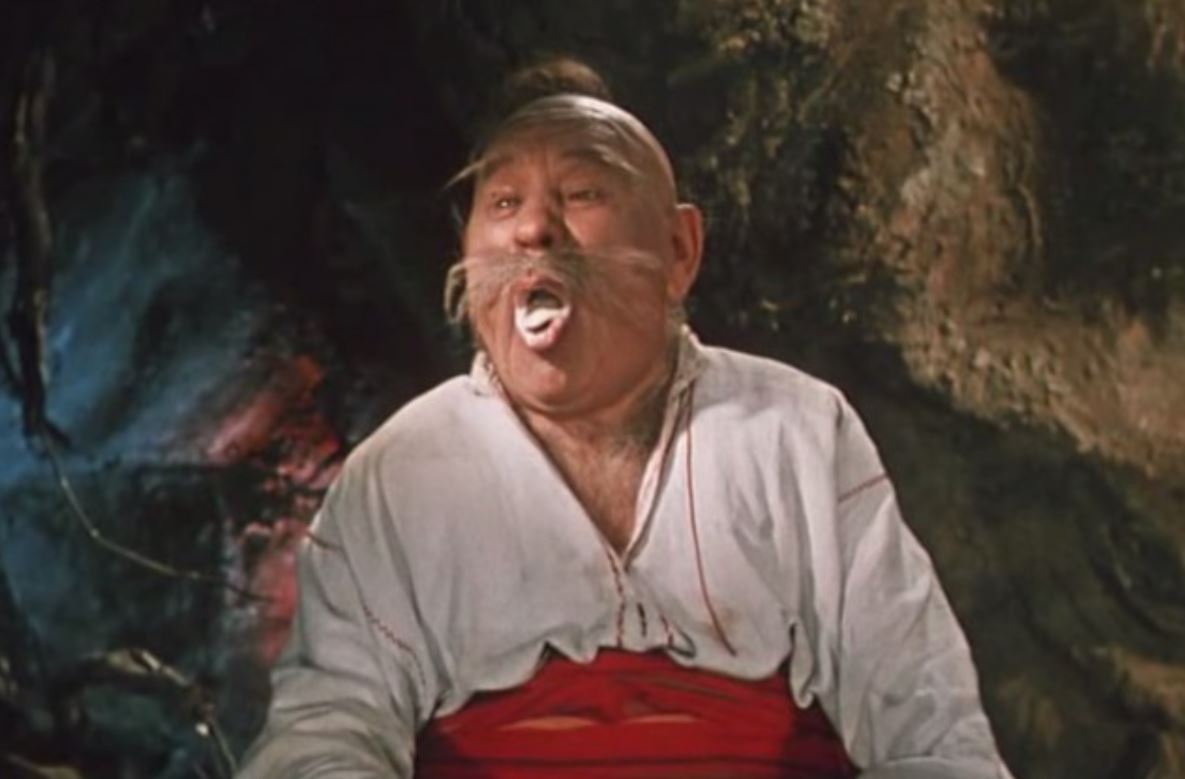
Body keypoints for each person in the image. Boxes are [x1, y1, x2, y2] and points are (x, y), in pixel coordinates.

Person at [238, 60, 1014, 778]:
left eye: (581, 194)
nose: (532, 229)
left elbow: (926, 722)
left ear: (678, 249)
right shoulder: (397, 475)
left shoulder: (795, 431)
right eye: (502, 202)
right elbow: (325, 731)